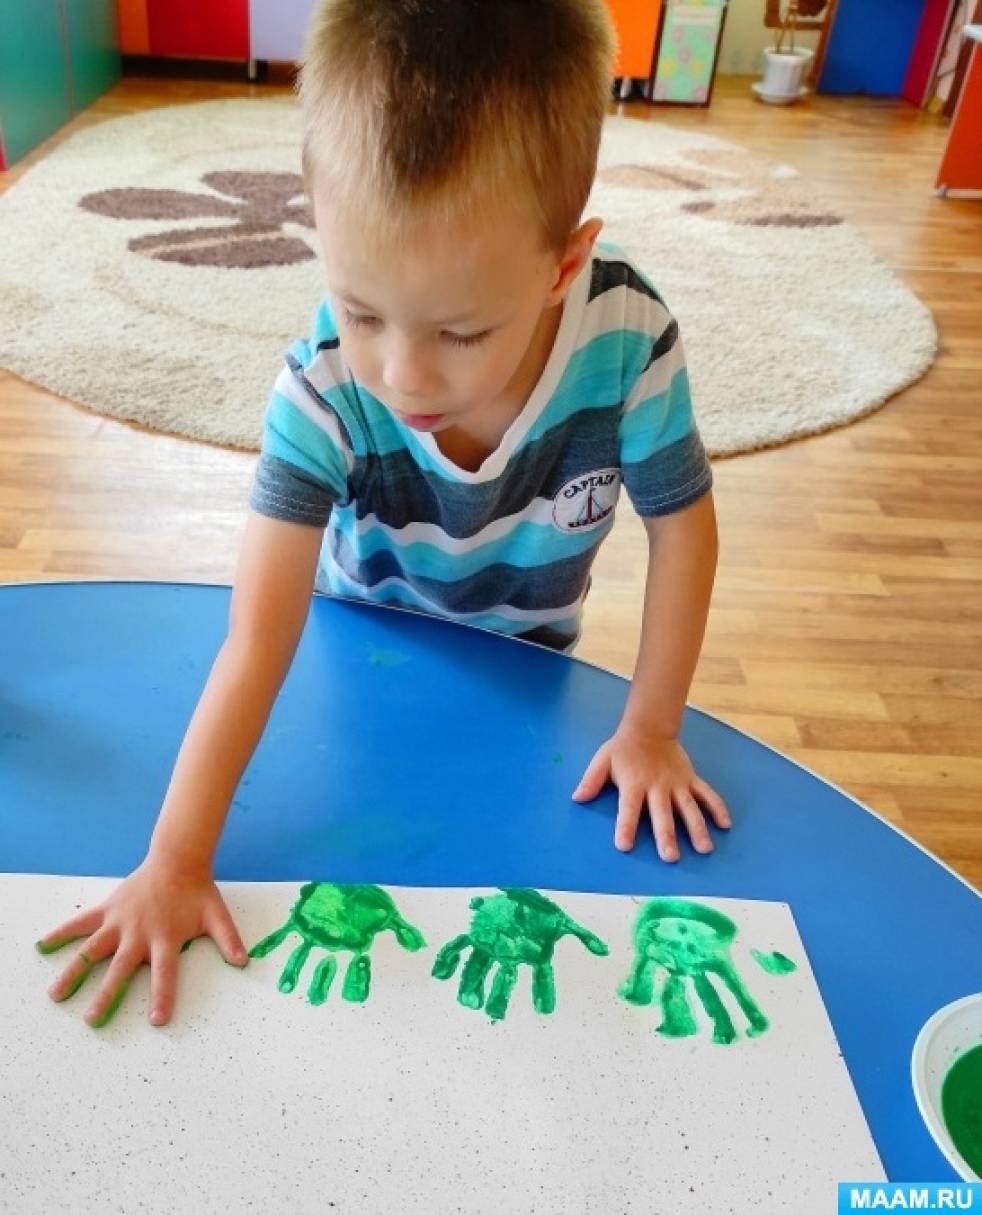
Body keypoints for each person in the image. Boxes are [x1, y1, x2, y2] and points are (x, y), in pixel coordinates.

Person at [38, 0, 729, 1029]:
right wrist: (176, 859)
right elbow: (256, 636)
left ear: (563, 266)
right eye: (361, 310)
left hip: (529, 667)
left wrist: (652, 727)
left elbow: (685, 532)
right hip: (355, 656)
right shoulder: (323, 385)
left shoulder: (628, 336)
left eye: (461, 330)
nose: (402, 374)